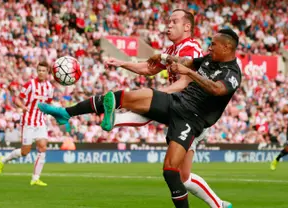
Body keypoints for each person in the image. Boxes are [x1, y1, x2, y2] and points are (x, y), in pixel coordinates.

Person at [39, 28, 241, 208]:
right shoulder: (208, 59)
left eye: (213, 44)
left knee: (171, 172)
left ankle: (113, 119)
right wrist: (163, 57)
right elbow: (186, 61)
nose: (209, 47)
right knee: (122, 96)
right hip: (177, 102)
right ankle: (67, 113)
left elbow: (216, 89)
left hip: (192, 118)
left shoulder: (232, 73)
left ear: (226, 47)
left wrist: (188, 72)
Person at [105, 9, 225, 208]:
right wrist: (121, 63)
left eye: (174, 21)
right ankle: (220, 205)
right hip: (179, 111)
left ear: (187, 27)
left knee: (150, 105)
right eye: (168, 21)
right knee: (183, 177)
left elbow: (185, 83)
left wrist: (159, 95)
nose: (168, 25)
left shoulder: (191, 48)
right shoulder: (171, 51)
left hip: (191, 114)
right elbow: (149, 68)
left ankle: (113, 120)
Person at [0, 61, 54, 186]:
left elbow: (48, 103)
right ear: (37, 71)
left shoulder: (49, 87)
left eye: (44, 71)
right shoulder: (30, 84)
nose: (41, 73)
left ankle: (35, 178)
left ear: (48, 72)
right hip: (28, 121)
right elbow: (17, 98)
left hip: (40, 121)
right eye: (39, 70)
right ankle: (4, 159)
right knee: (25, 151)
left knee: (43, 146)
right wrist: (22, 106)